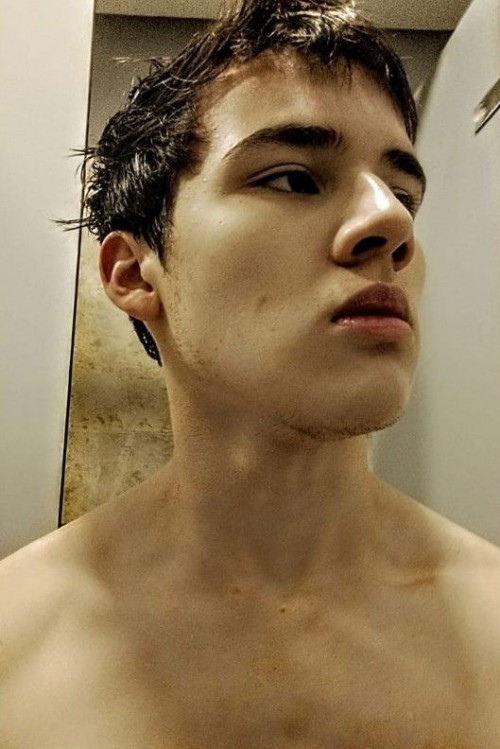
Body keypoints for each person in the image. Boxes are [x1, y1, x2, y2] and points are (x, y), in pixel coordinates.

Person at [1, 0, 499, 746]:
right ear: (133, 272)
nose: (392, 225)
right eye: (294, 179)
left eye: (404, 196)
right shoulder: (15, 650)